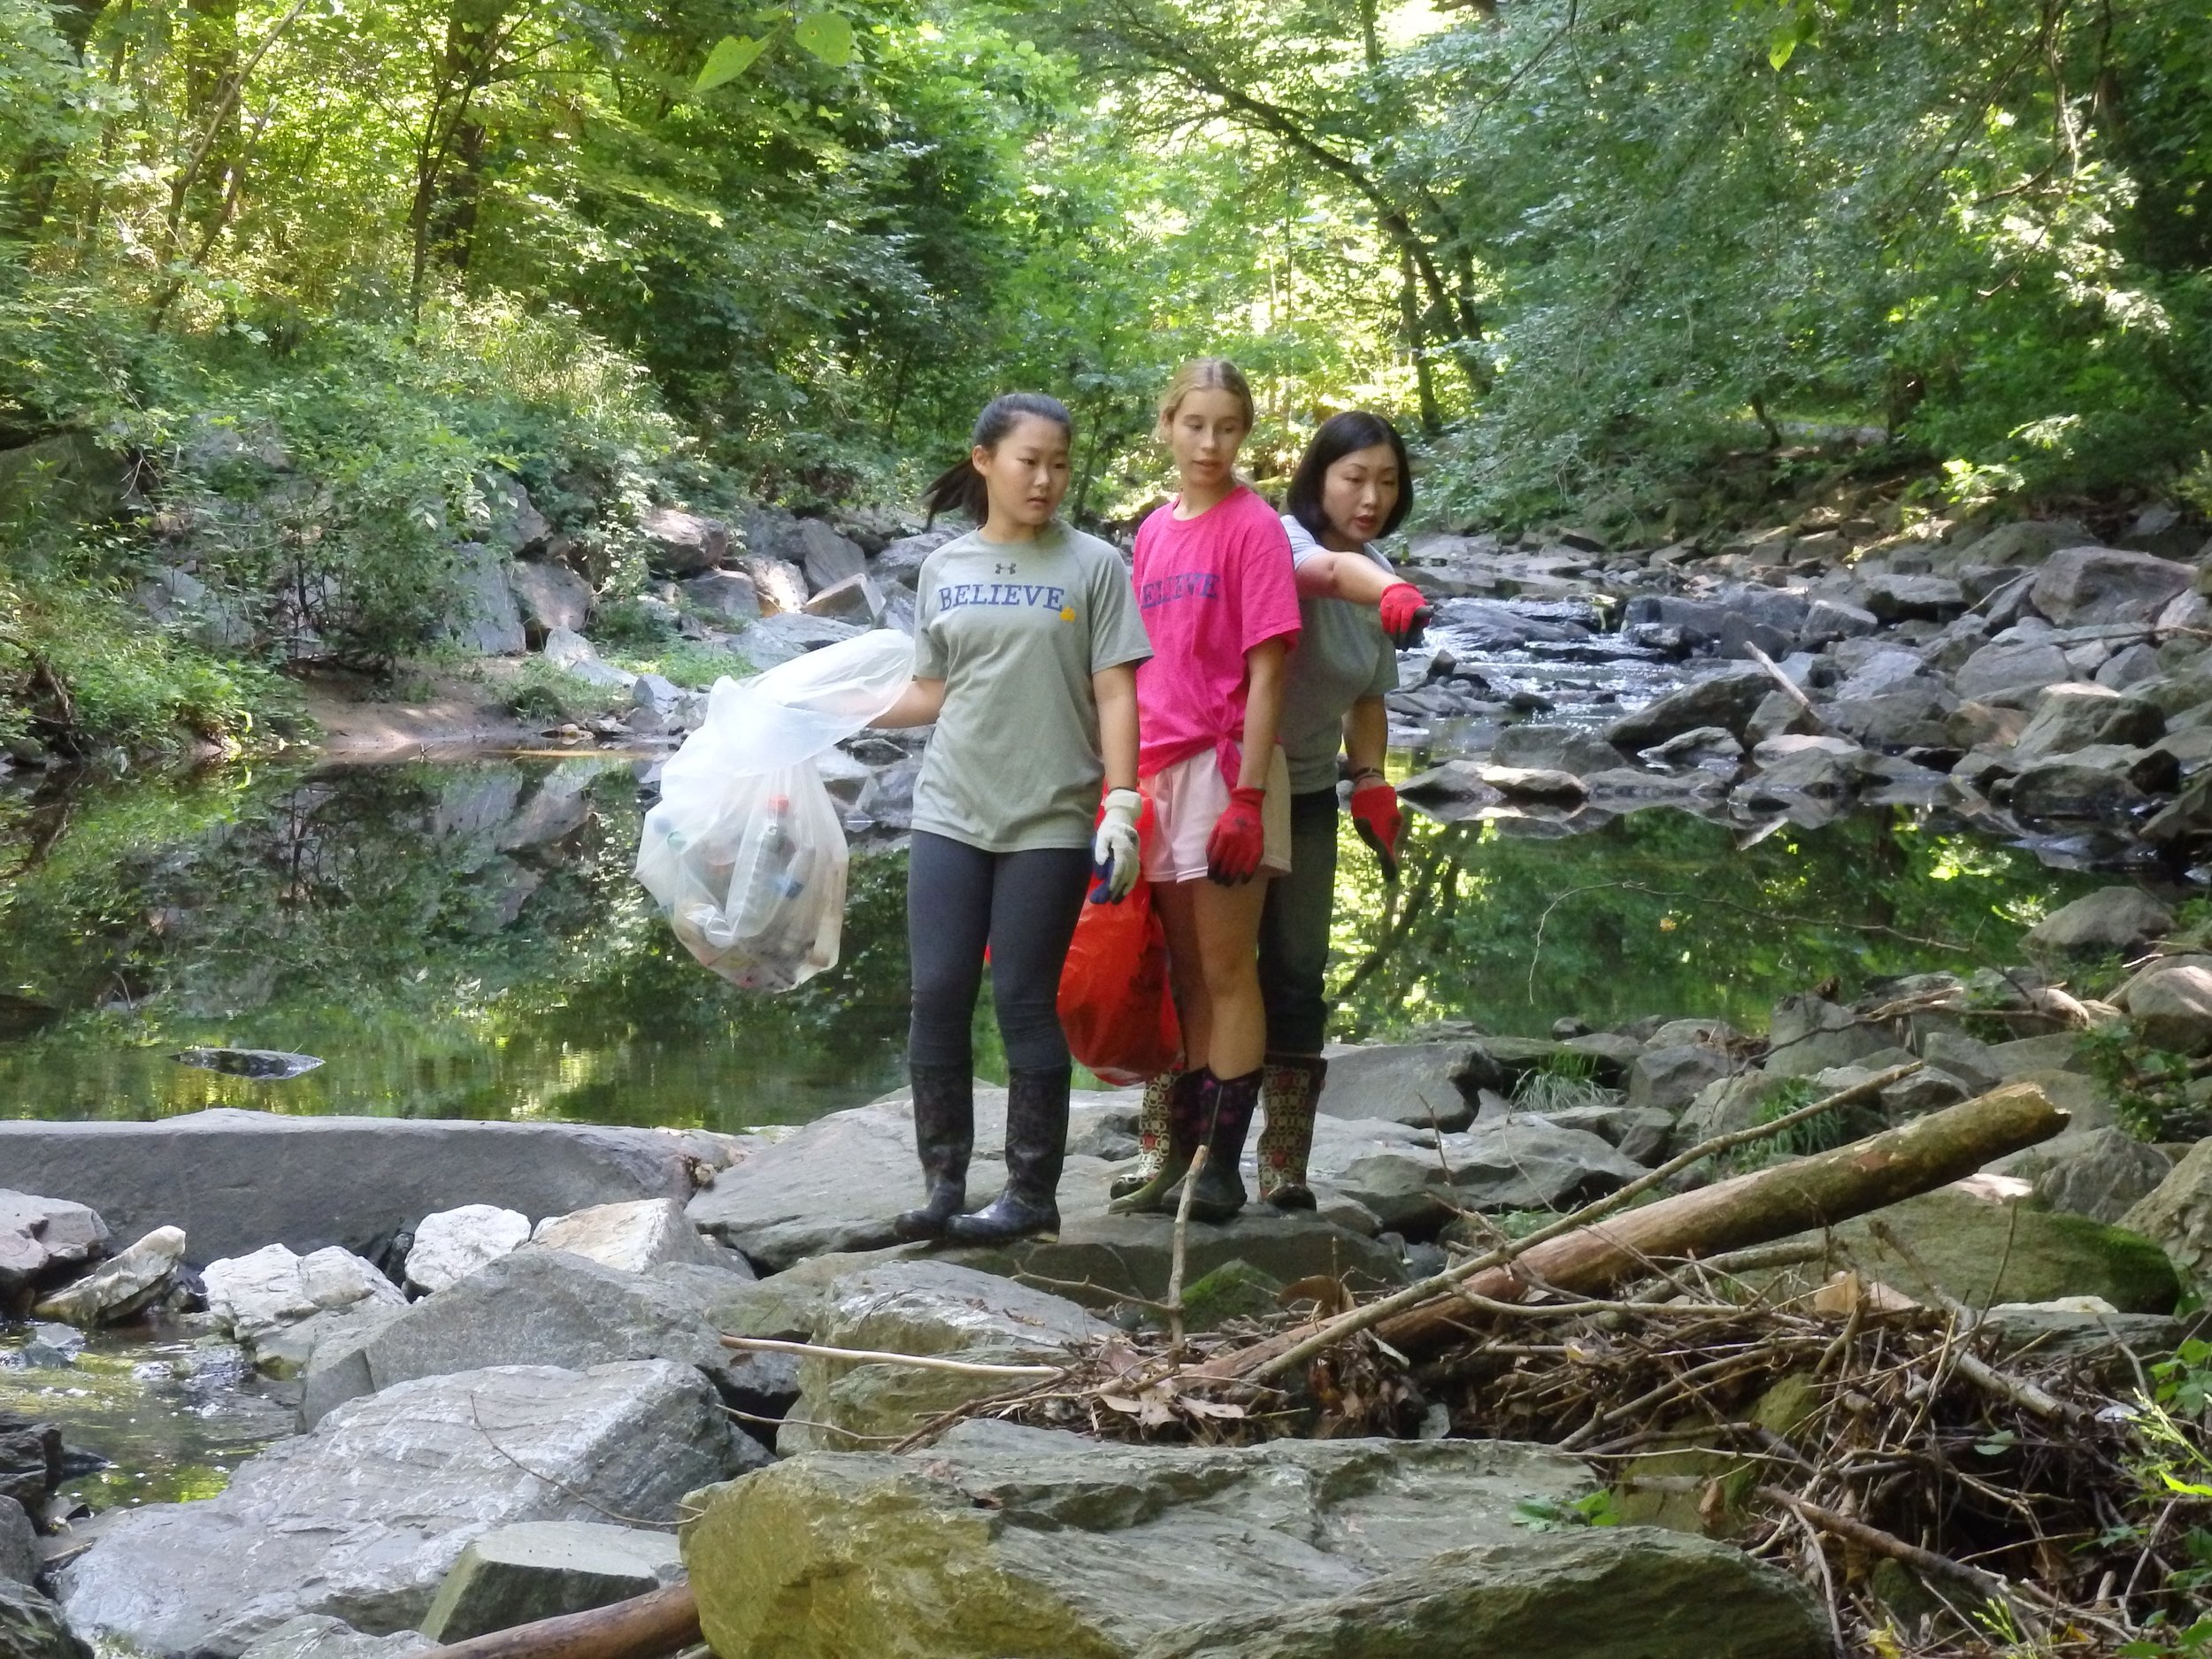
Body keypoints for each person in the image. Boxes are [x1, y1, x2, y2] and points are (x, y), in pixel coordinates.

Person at [871, 393, 1152, 1245]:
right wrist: (828, 708)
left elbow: (1116, 690)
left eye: (1059, 463)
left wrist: (1123, 802)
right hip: (949, 808)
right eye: (1030, 461)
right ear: (985, 460)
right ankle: (943, 1187)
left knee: (1026, 999)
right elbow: (931, 690)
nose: (1046, 479)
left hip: (1051, 816)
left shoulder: (1094, 564)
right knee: (938, 992)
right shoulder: (944, 566)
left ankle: (1031, 1194)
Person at [1110, 358, 1302, 1225]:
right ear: (1167, 426)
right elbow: (1136, 667)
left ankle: (1220, 1168)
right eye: (1195, 424)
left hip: (1228, 772)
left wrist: (1249, 800)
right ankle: (1179, 1160)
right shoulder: (1154, 531)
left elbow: (1269, 673)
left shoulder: (1253, 527)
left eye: (1227, 427)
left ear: (1244, 433)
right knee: (1182, 973)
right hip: (1159, 770)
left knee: (1227, 971)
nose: (1210, 443)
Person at [1254, 411, 1426, 1208]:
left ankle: (1284, 1161)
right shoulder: (1280, 541)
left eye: (1387, 481)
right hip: (1230, 782)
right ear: (1317, 478)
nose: (1371, 497)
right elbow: (1323, 575)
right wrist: (1390, 589)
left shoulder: (1378, 569)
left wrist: (1372, 778)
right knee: (1212, 969)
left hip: (1310, 790)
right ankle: (1179, 1148)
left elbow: (1367, 695)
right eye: (1354, 478)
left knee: (1298, 972)